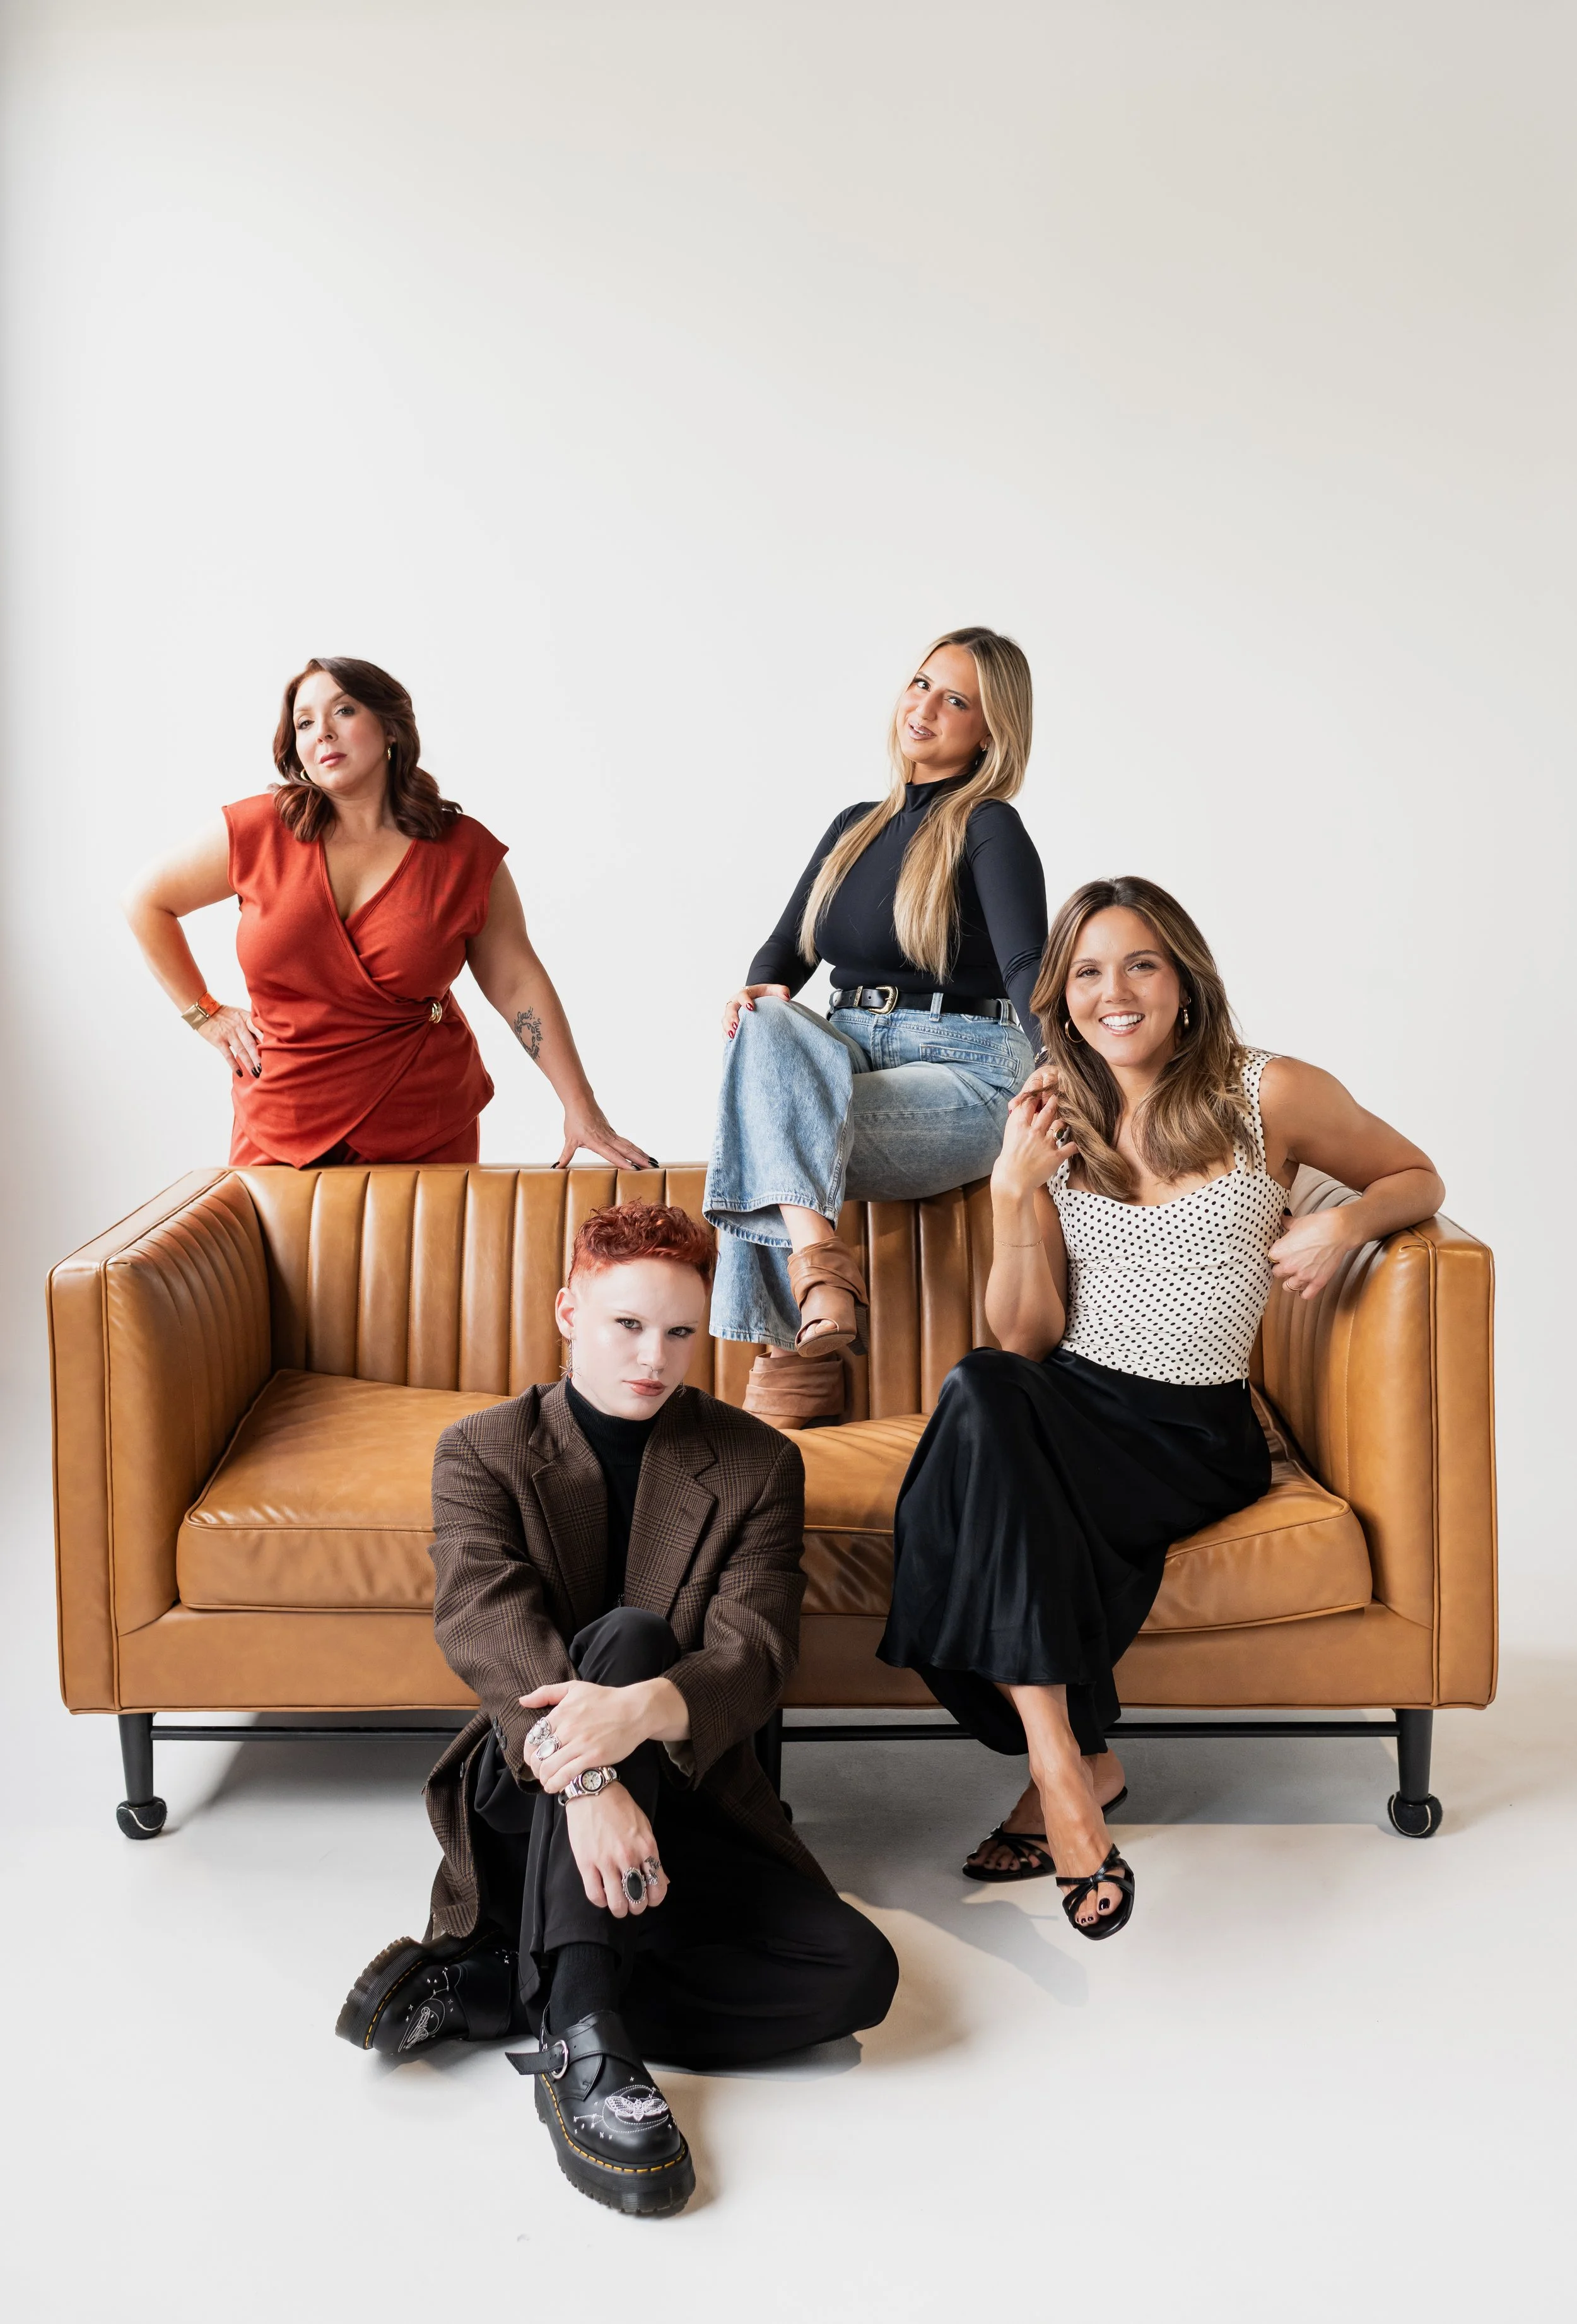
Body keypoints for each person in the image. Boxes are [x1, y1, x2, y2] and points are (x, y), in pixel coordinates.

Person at [877, 876, 1444, 1941]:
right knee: (981, 1387)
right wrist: (1011, 1190)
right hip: (1075, 1395)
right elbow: (1025, 1336)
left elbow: (1418, 1173)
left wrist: (1343, 1223)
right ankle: (1066, 1762)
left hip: (1192, 1426)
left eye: (1140, 962)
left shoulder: (1267, 1090)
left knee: (981, 1429)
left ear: (1184, 979)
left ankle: (1076, 1765)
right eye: (1087, 971)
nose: (1115, 991)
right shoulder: (1055, 1112)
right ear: (1061, 996)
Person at [336, 1201, 898, 2219]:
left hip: (684, 1795)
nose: (654, 1356)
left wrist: (638, 1719)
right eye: (626, 1325)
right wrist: (591, 1774)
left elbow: (757, 1651)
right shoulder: (484, 1447)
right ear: (569, 1311)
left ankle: (511, 1986)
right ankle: (581, 2036)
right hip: (527, 1798)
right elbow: (483, 1618)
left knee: (855, 1975)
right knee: (631, 1635)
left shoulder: (757, 1459)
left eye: (680, 1331)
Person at [704, 626, 1046, 1424]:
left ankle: (790, 1350)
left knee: (765, 1118)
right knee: (766, 1017)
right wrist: (755, 997)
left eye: (954, 699)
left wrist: (1057, 1067)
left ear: (990, 729)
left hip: (964, 1068)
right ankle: (819, 1280)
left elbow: (1030, 961)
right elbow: (784, 950)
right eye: (920, 684)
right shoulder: (855, 823)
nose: (923, 707)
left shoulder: (989, 825)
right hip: (847, 1048)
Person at [121, 657, 652, 1168]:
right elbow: (147, 902)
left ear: (391, 729)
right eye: (304, 722)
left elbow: (517, 983)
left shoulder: (464, 853)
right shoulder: (258, 829)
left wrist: (582, 1109)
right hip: (280, 1118)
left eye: (344, 711)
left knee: (422, 1265)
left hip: (424, 1122)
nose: (322, 732)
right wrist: (206, 1014)